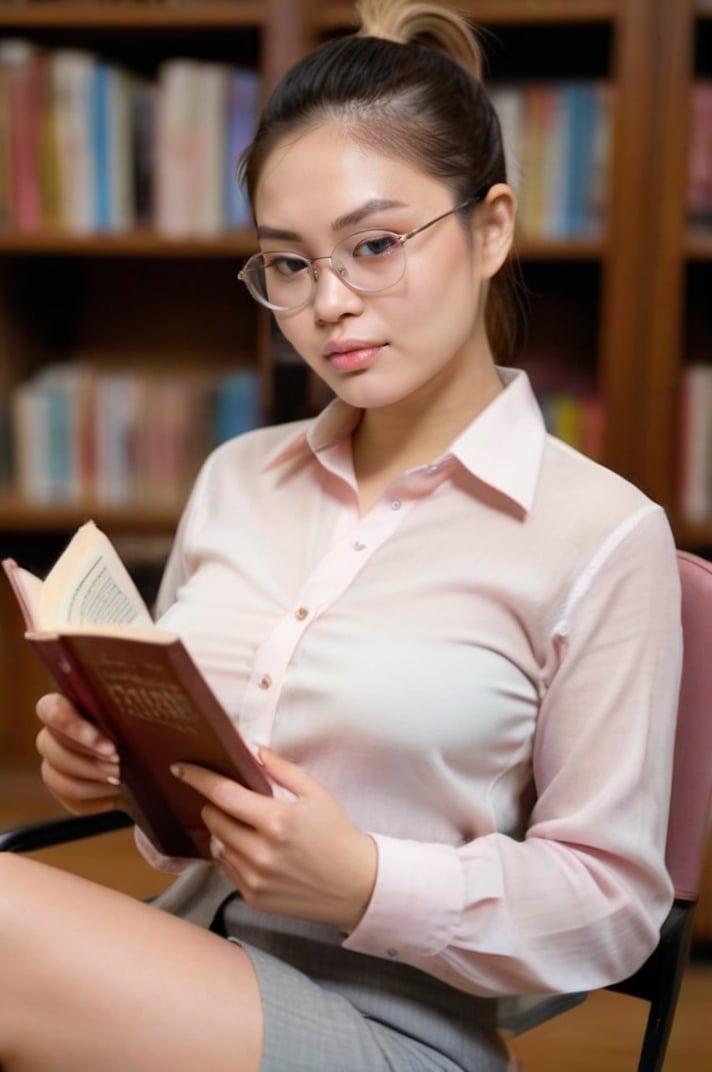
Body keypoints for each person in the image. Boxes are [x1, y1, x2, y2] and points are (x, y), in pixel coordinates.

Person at [0, 1, 682, 1069]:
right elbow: (179, 829)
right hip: (176, 971)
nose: (330, 305)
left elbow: (611, 909)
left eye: (374, 247)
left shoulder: (600, 536)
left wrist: (367, 880)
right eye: (288, 264)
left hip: (392, 1033)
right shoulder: (237, 480)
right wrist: (119, 771)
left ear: (489, 227)